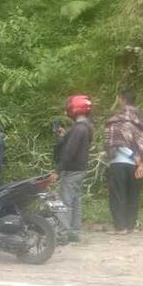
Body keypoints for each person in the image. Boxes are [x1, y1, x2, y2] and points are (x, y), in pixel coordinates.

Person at [104, 90, 143, 234]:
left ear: (122, 100)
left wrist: (134, 157)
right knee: (133, 195)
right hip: (136, 166)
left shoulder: (116, 120)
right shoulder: (142, 120)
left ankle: (121, 227)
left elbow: (117, 144)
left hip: (119, 163)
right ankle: (130, 226)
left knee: (118, 195)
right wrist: (141, 162)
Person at [54, 95, 94, 242]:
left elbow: (69, 153)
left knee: (65, 201)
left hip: (72, 170)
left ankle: (62, 234)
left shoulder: (78, 129)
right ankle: (74, 232)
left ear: (74, 109)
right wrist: (66, 135)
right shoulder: (86, 127)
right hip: (80, 169)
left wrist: (58, 170)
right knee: (76, 200)